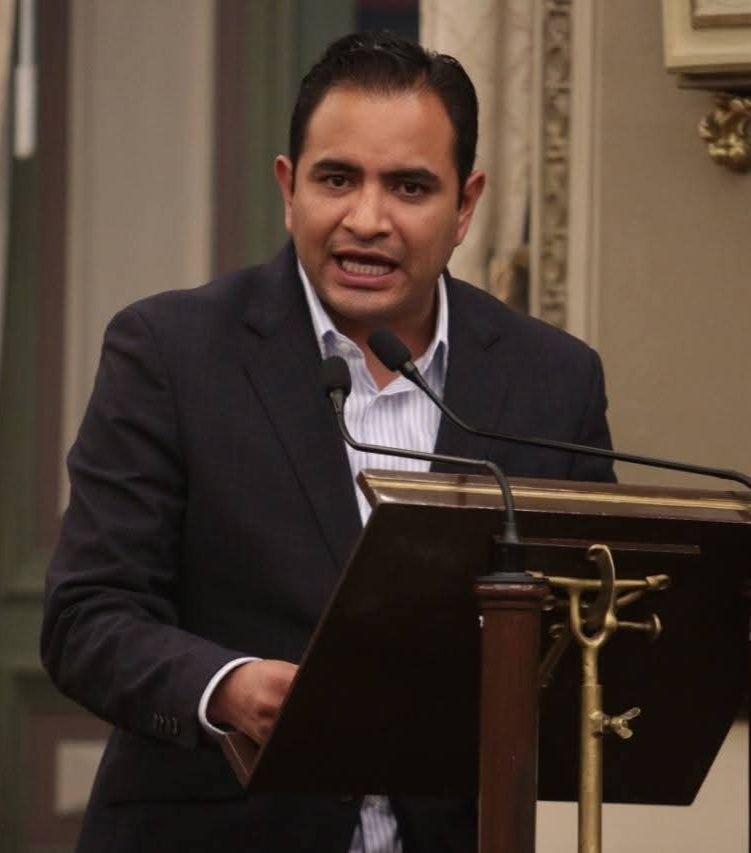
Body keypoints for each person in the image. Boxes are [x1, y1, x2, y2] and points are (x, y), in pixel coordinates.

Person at [41, 32, 614, 853]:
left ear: (465, 205)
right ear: (289, 187)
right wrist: (226, 687)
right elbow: (86, 618)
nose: (366, 220)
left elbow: (590, 631)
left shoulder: (552, 381)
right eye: (337, 179)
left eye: (409, 186)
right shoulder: (169, 351)